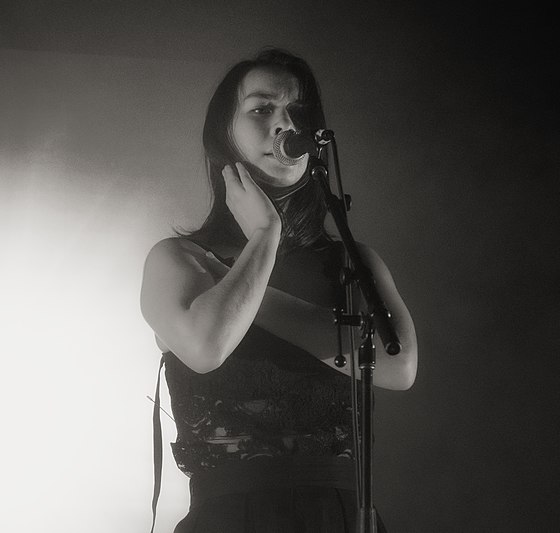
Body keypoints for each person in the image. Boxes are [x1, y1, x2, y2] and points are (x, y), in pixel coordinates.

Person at [140, 48, 417, 532]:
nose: (286, 124)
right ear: (224, 133)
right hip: (230, 518)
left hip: (340, 517)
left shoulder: (352, 262)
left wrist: (251, 293)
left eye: (299, 111)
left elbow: (399, 364)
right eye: (262, 108)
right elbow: (206, 347)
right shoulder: (179, 259)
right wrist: (265, 235)